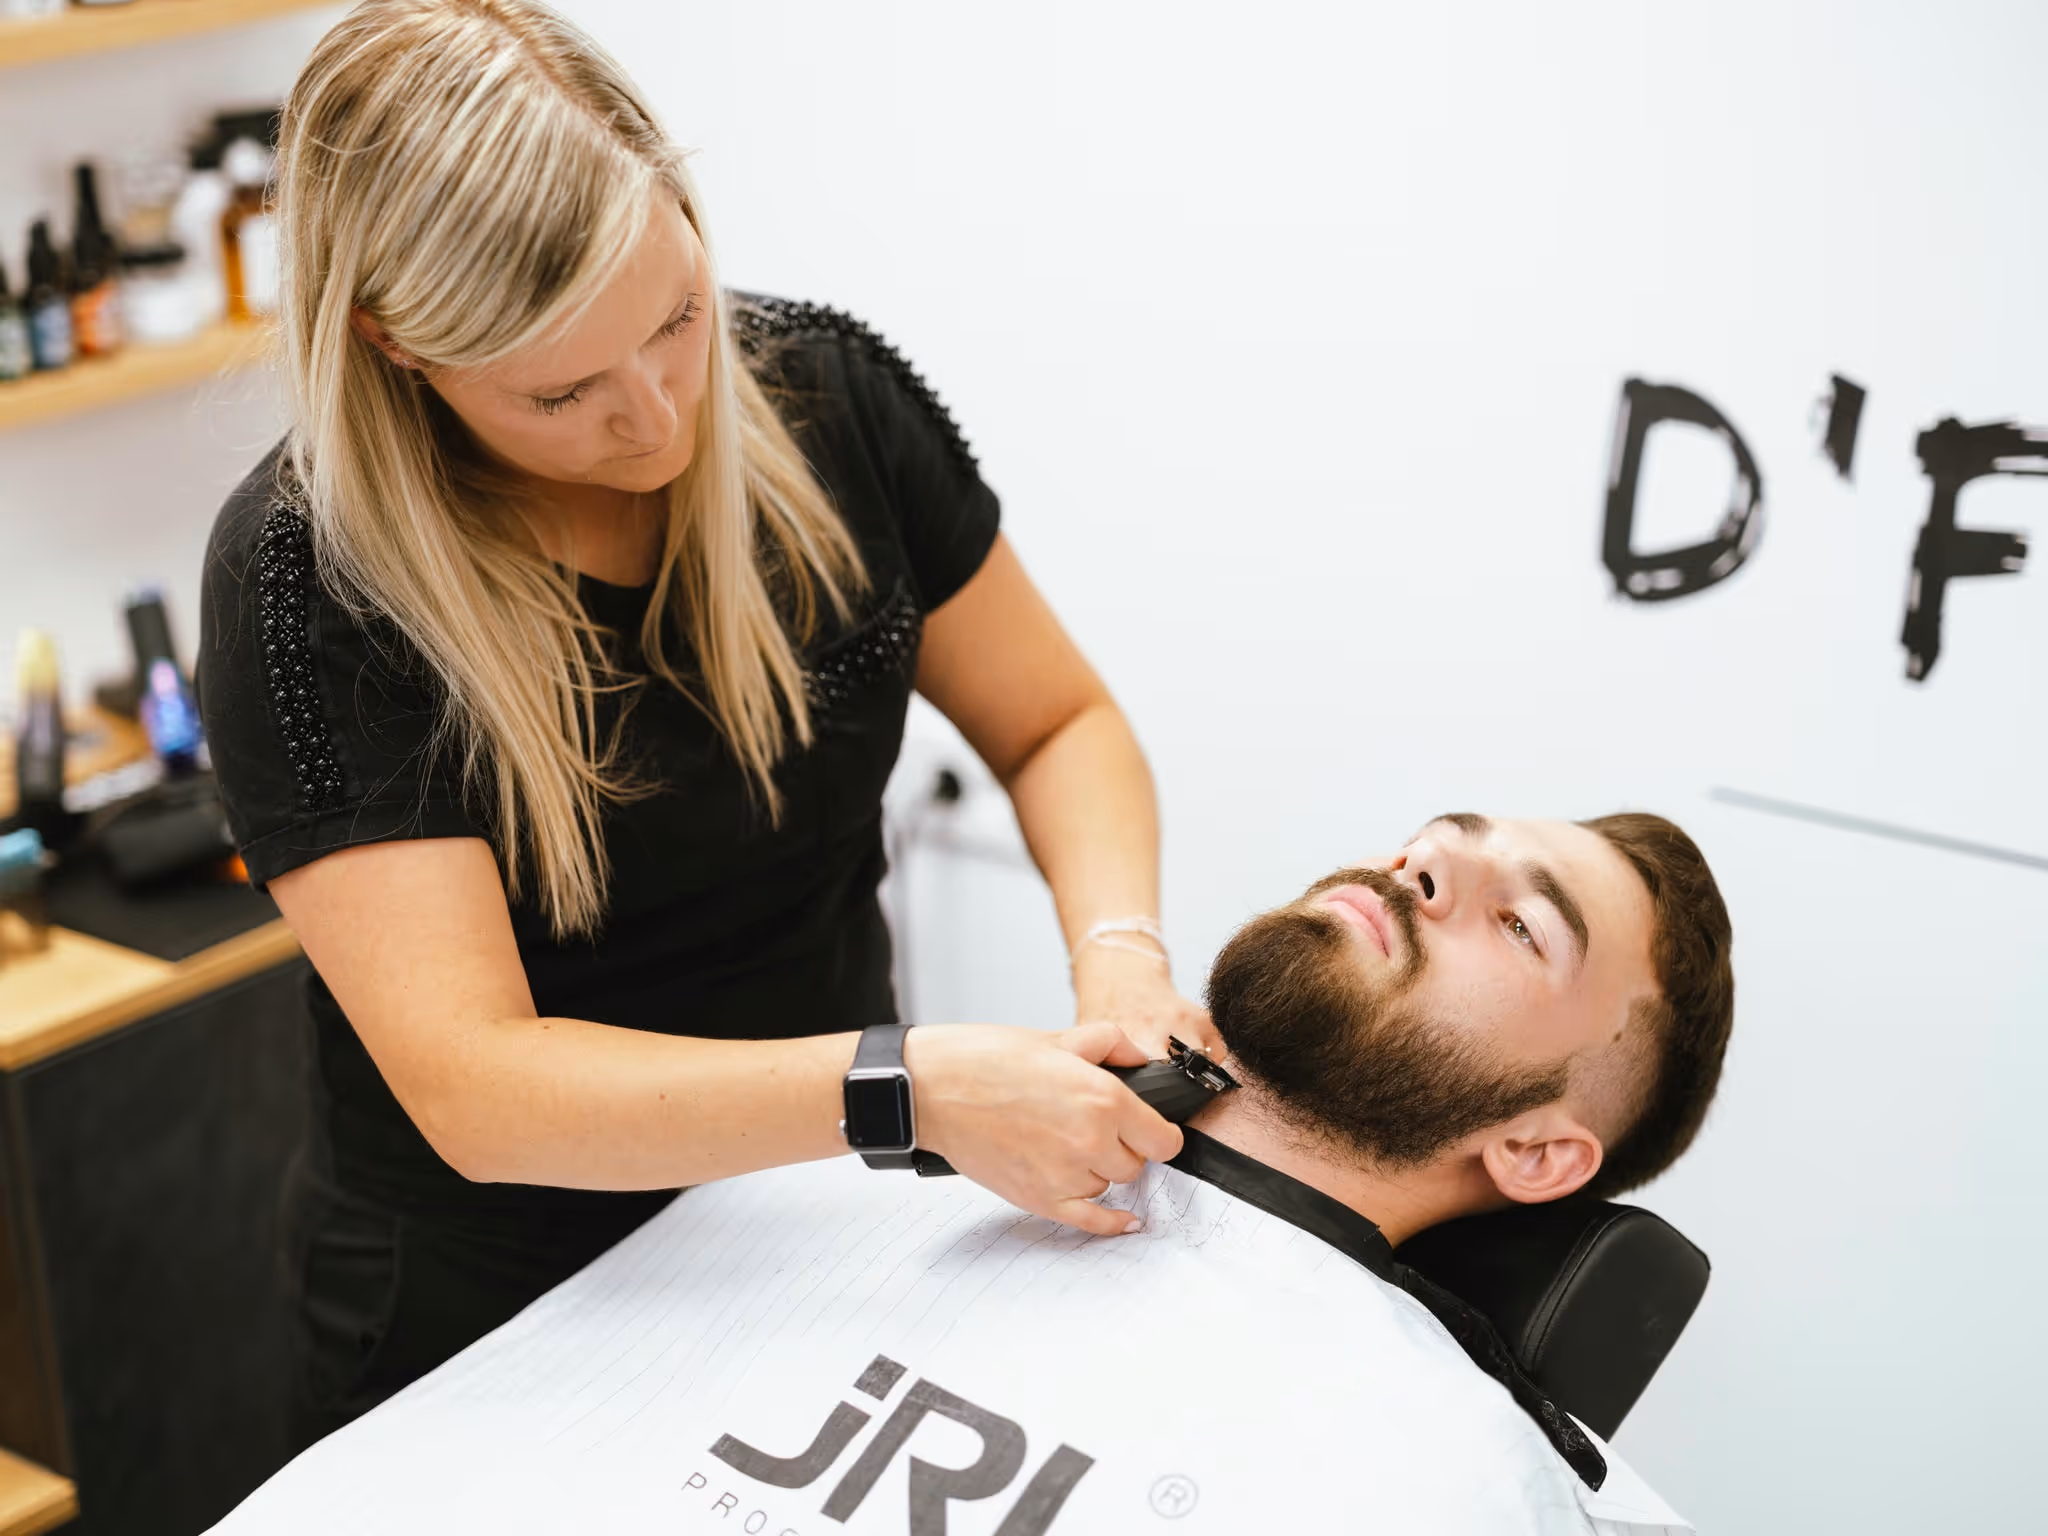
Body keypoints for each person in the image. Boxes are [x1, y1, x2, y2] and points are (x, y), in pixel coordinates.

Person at [194, 0, 1214, 1449]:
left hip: (823, 1224)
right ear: (395, 348)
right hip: (501, 1305)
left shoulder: (830, 397)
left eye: (676, 316)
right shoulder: (311, 582)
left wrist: (1119, 955)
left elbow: (1057, 723)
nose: (659, 413)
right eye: (561, 390)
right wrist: (903, 1088)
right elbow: (482, 1091)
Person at [208, 809, 1735, 1536]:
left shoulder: (1448, 1476)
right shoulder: (834, 1156)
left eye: (1521, 925)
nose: (1432, 867)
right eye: (1441, 843)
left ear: (1542, 1148)